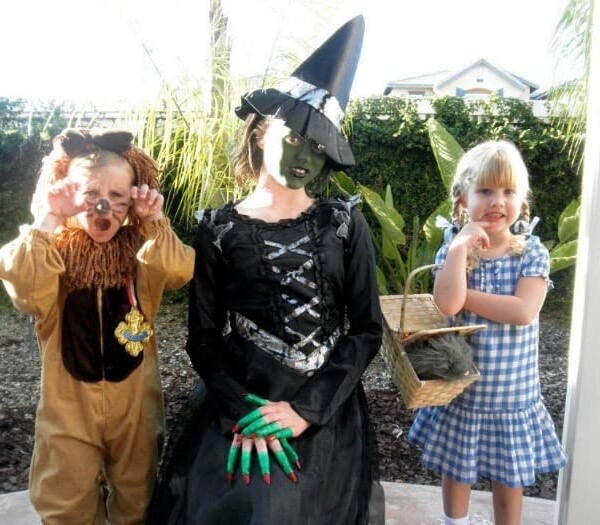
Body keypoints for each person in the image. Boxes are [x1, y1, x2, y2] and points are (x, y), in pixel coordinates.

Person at [147, 15, 385, 525]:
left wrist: (306, 410)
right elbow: (204, 338)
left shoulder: (344, 223)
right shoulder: (217, 227)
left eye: (320, 147)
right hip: (241, 396)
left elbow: (366, 330)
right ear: (260, 132)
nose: (306, 155)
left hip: (324, 405)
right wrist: (243, 414)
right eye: (297, 136)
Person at [0, 128, 195, 524]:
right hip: (67, 409)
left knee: (137, 496)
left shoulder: (142, 256)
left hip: (135, 408)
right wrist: (49, 217)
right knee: (65, 496)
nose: (103, 207)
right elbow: (23, 287)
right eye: (89, 196)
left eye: (118, 198)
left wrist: (155, 221)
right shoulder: (50, 252)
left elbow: (177, 269)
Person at [408, 140, 567, 525]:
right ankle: (455, 522)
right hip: (459, 388)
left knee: (508, 478)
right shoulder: (455, 247)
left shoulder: (530, 252)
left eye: (508, 191)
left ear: (521, 200)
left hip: (512, 393)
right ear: (462, 199)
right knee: (456, 470)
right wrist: (461, 247)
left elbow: (523, 311)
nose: (498, 201)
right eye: (485, 191)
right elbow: (447, 303)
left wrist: (467, 295)